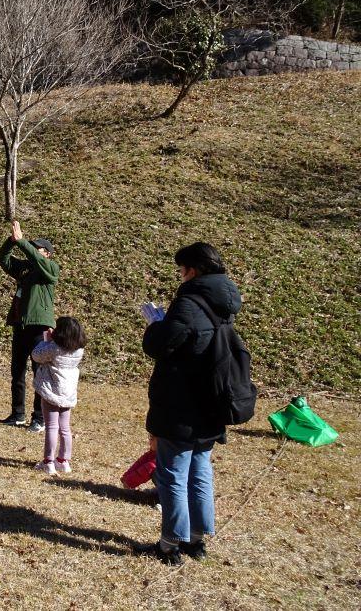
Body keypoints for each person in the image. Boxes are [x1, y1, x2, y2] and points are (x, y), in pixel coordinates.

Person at [135, 242, 241, 566]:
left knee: (173, 474)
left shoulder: (189, 302)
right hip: (211, 401)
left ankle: (170, 544)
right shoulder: (224, 303)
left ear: (192, 270)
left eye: (181, 270)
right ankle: (197, 540)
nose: (180, 277)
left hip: (182, 404)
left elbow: (161, 344)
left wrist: (155, 324)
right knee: (200, 472)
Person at [0, 220, 59, 431]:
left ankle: (39, 418)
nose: (32, 250)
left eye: (38, 248)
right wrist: (12, 241)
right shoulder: (24, 269)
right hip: (20, 324)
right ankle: (17, 414)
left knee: (39, 372)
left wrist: (23, 243)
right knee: (17, 371)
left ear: (48, 254)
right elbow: (3, 259)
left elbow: (37, 260)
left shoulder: (50, 268)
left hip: (40, 326)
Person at [31, 317, 86, 476]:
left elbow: (36, 355)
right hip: (68, 391)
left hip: (51, 392)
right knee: (65, 427)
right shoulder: (78, 350)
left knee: (52, 427)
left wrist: (46, 340)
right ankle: (63, 460)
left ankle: (48, 462)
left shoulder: (53, 348)